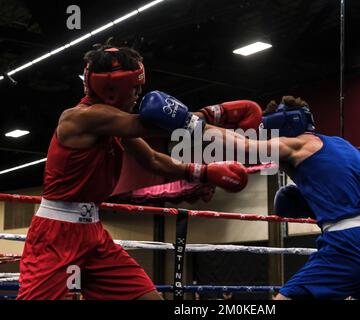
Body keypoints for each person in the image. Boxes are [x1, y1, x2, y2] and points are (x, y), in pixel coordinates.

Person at [17, 45, 256, 300]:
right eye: (134, 88)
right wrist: (216, 113)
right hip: (56, 235)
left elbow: (152, 159)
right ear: (113, 89)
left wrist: (203, 173)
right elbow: (150, 126)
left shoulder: (113, 124)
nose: (138, 95)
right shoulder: (82, 118)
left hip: (94, 234)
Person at [140, 93, 360, 300]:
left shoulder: (297, 144)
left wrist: (190, 122)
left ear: (283, 128)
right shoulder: (344, 145)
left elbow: (245, 147)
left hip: (348, 244)